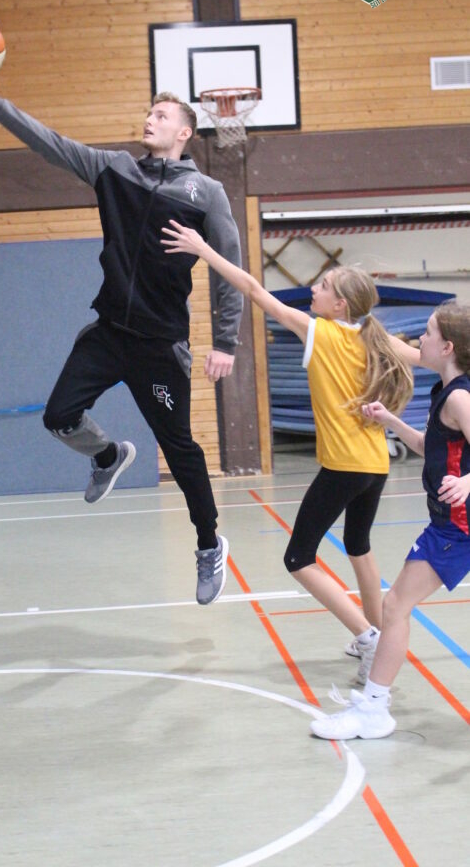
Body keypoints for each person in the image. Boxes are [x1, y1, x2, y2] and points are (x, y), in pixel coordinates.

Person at [0, 68, 243, 604]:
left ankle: (208, 542)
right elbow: (50, 143)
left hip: (160, 345)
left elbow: (229, 267)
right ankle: (107, 456)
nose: (149, 119)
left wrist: (226, 342)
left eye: (161, 115)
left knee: (180, 450)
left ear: (184, 132)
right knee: (58, 415)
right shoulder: (115, 169)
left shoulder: (208, 193)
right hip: (109, 334)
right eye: (148, 112)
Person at [161, 219, 419, 675]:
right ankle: (378, 637)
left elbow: (252, 289)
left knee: (298, 558)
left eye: (323, 286)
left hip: (344, 467)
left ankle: (368, 636)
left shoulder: (320, 331)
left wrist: (204, 249)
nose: (313, 289)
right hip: (375, 464)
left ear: (339, 304)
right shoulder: (377, 339)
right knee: (358, 546)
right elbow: (432, 357)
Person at [311, 299, 470, 739]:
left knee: (395, 606)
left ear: (448, 347)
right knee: (395, 606)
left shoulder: (460, 397)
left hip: (458, 527)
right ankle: (374, 706)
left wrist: (468, 483)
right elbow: (428, 448)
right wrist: (390, 421)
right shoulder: (447, 392)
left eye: (429, 332)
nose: (421, 338)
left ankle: (374, 710)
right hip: (452, 524)